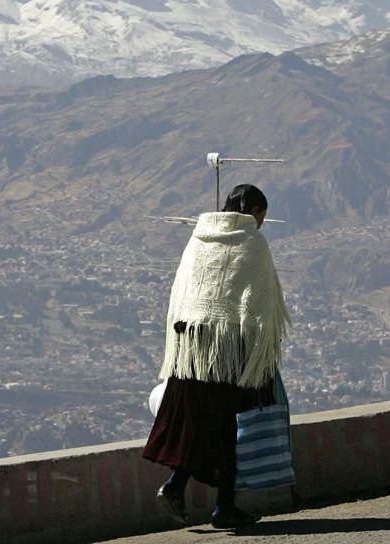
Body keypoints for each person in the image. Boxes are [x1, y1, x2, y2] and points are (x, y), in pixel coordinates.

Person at [142, 183, 290, 529]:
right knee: (223, 429)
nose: (261, 222)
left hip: (192, 352)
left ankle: (178, 488)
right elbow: (259, 302)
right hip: (227, 357)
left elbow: (184, 293)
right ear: (253, 210)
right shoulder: (252, 242)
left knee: (202, 426)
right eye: (260, 215)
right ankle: (222, 507)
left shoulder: (198, 239)